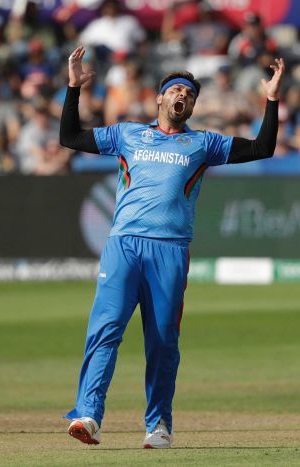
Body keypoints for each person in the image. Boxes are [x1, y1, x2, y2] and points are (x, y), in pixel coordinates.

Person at [59, 45, 284, 448]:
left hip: (170, 250)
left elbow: (262, 148)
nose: (184, 97)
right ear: (160, 97)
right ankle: (88, 415)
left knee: (163, 340)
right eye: (177, 91)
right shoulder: (127, 133)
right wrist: (73, 89)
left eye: (191, 95)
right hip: (123, 245)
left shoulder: (203, 144)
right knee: (105, 330)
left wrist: (271, 100)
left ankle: (158, 425)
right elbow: (70, 137)